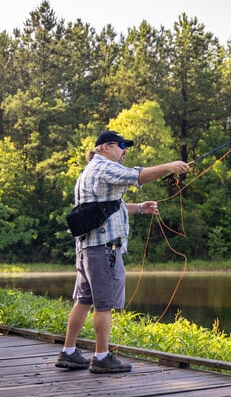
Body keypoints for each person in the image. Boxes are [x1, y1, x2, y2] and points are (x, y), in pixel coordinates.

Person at [55, 130, 190, 373]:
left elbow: (106, 206)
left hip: (88, 249)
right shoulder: (105, 167)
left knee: (83, 301)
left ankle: (69, 352)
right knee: (103, 304)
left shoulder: (90, 171)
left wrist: (139, 207)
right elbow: (137, 176)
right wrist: (170, 166)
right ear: (105, 147)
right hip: (105, 249)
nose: (125, 149)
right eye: (121, 145)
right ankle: (102, 357)